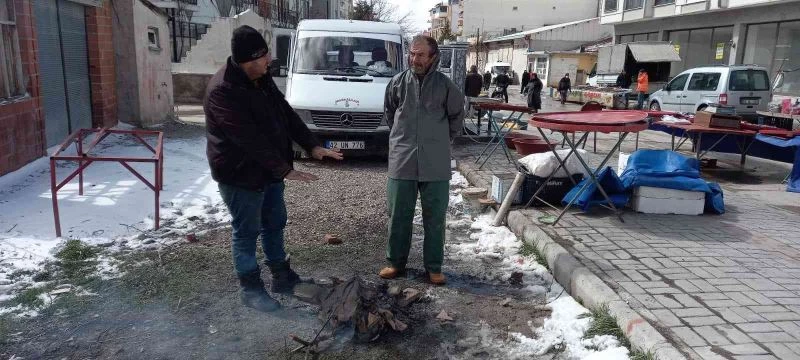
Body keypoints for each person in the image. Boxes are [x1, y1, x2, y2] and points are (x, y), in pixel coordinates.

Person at [205, 25, 344, 313]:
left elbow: (286, 114)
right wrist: (284, 169)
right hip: (239, 174)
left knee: (275, 223)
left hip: (269, 171)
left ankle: (282, 277)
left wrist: (312, 146)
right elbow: (248, 139)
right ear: (248, 60)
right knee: (246, 231)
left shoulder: (261, 78)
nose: (270, 62)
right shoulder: (223, 90)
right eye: (264, 57)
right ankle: (251, 289)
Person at [381, 35, 464, 285]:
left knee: (435, 218)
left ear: (433, 57)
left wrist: (439, 141)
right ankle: (395, 263)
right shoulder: (397, 83)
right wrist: (402, 140)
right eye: (412, 54)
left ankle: (434, 267)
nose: (414, 59)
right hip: (402, 160)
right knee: (398, 216)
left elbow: (457, 117)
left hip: (435, 164)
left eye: (420, 55)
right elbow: (389, 114)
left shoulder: (446, 86)